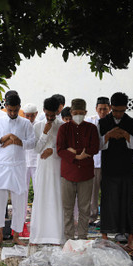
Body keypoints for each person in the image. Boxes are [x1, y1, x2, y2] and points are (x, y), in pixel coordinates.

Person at [0, 94, 36, 246]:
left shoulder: (26, 123)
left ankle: (16, 235)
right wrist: (4, 138)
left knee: (19, 201)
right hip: (1, 165)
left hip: (18, 166)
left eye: (15, 110)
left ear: (19, 108)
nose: (12, 113)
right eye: (10, 110)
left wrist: (19, 141)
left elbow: (32, 143)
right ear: (5, 107)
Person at [99, 92, 133, 248]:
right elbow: (97, 145)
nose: (117, 114)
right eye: (115, 110)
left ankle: (130, 238)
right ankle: (104, 237)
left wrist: (126, 135)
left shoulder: (132, 122)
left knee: (128, 201)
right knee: (108, 200)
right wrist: (108, 136)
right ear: (110, 107)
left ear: (126, 108)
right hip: (109, 167)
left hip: (126, 167)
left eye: (121, 111)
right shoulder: (103, 122)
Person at [57, 98, 100, 240]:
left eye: (81, 113)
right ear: (71, 112)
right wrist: (78, 155)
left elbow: (95, 147)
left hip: (86, 175)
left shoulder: (91, 128)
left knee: (84, 209)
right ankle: (68, 238)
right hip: (67, 174)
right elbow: (60, 150)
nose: (78, 115)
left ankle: (82, 237)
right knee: (67, 209)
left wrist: (74, 151)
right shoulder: (64, 129)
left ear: (86, 112)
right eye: (76, 112)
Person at [30, 97, 65, 245]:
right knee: (42, 196)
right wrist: (44, 134)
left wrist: (53, 151)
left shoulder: (62, 126)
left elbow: (64, 149)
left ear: (58, 111)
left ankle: (56, 235)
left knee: (56, 197)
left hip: (57, 166)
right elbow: (36, 149)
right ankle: (40, 235)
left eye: (53, 115)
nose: (50, 118)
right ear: (43, 111)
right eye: (48, 115)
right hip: (43, 166)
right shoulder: (37, 126)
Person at [86, 96, 111, 224]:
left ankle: (106, 218)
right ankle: (91, 217)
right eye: (100, 109)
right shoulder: (90, 121)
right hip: (95, 163)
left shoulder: (112, 122)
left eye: (105, 109)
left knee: (107, 192)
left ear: (110, 109)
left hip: (109, 163)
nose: (102, 112)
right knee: (93, 192)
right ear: (96, 109)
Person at [22, 103, 39, 196]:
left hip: (36, 160)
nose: (29, 118)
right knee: (23, 189)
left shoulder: (39, 125)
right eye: (27, 115)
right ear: (24, 114)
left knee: (37, 188)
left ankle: (37, 210)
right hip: (24, 161)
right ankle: (22, 210)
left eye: (32, 115)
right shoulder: (21, 125)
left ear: (36, 114)